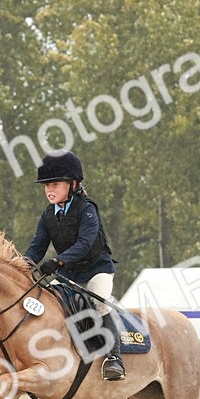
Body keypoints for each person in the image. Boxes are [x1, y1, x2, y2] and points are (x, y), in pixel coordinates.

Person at [23, 150, 125, 381]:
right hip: (69, 273)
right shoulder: (48, 214)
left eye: (55, 184)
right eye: (46, 185)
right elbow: (37, 247)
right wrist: (22, 265)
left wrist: (57, 261)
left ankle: (114, 358)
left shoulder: (86, 208)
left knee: (99, 303)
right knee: (50, 305)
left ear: (73, 184)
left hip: (96, 270)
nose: (49, 190)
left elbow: (85, 244)